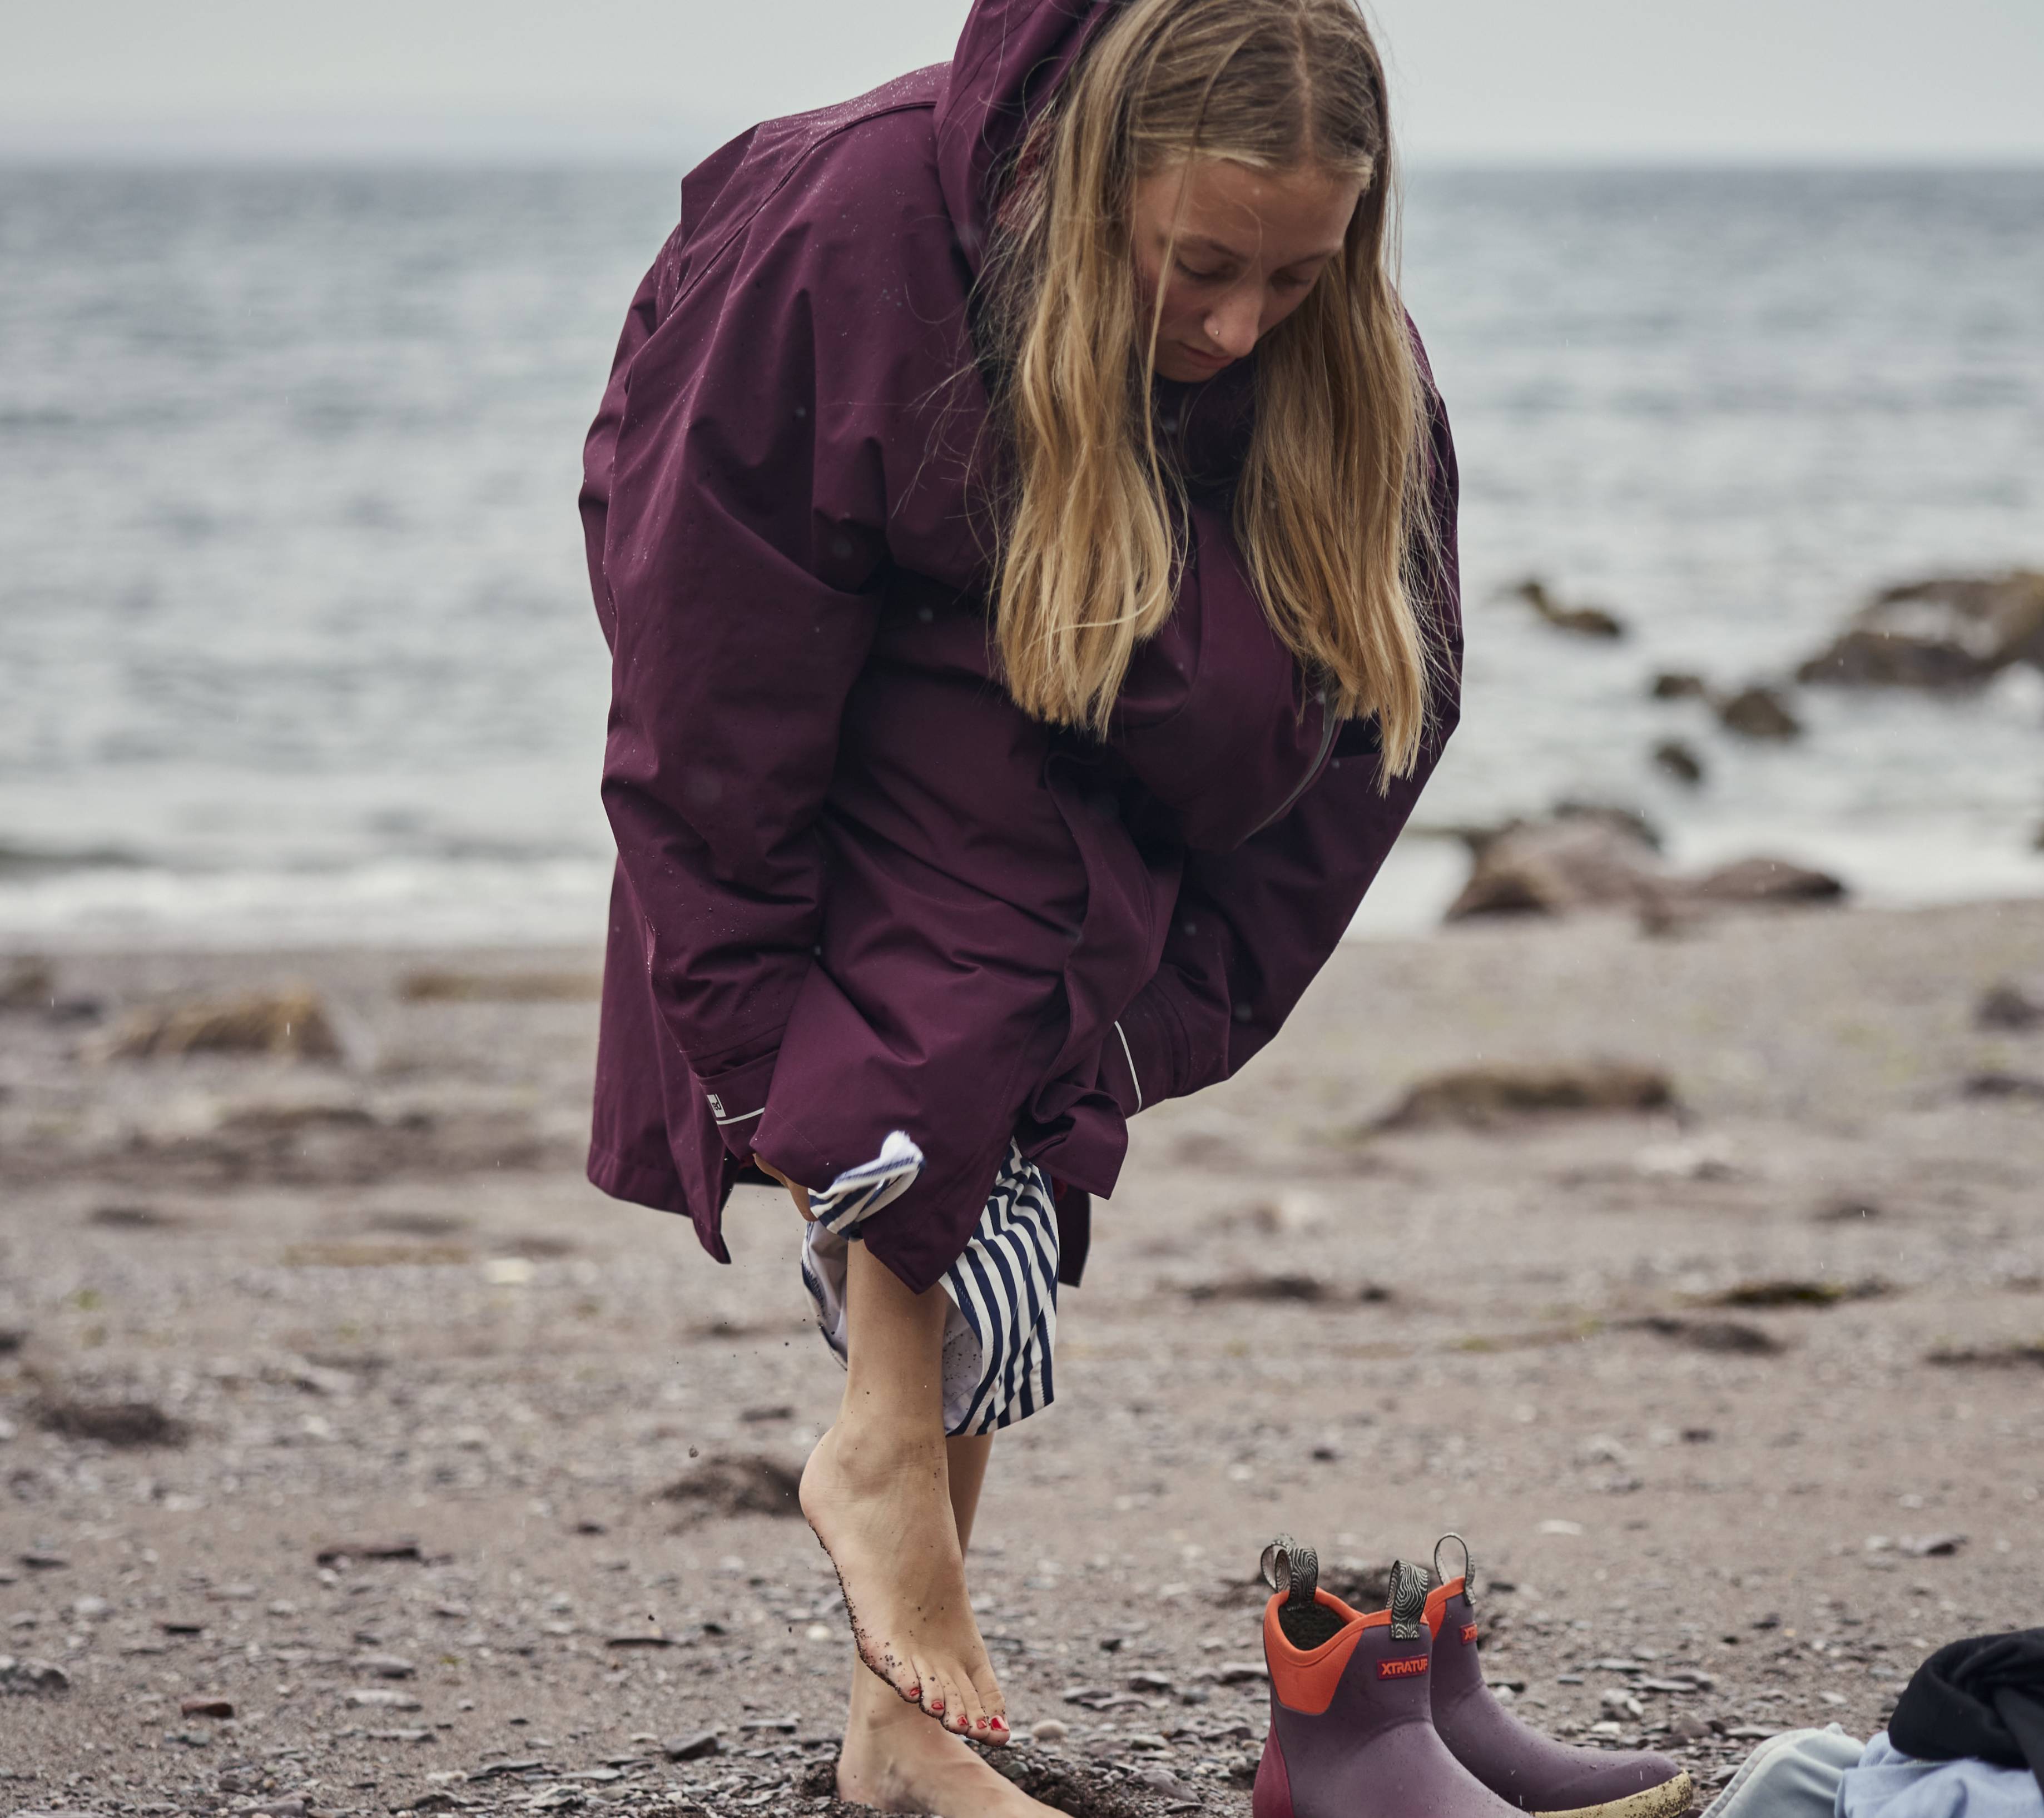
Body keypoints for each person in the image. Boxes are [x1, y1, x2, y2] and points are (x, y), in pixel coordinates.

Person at [580, 0, 1461, 1809]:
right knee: (981, 891)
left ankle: (903, 1735)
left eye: (1292, 282)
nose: (1236, 328)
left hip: (1104, 808)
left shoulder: (1339, 355)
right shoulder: (847, 229)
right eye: (1199, 265)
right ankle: (882, 1460)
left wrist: (1143, 1032)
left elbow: (1384, 716)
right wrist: (758, 1066)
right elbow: (706, 686)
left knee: (1024, 1007)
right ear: (1090, 175)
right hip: (820, 751)